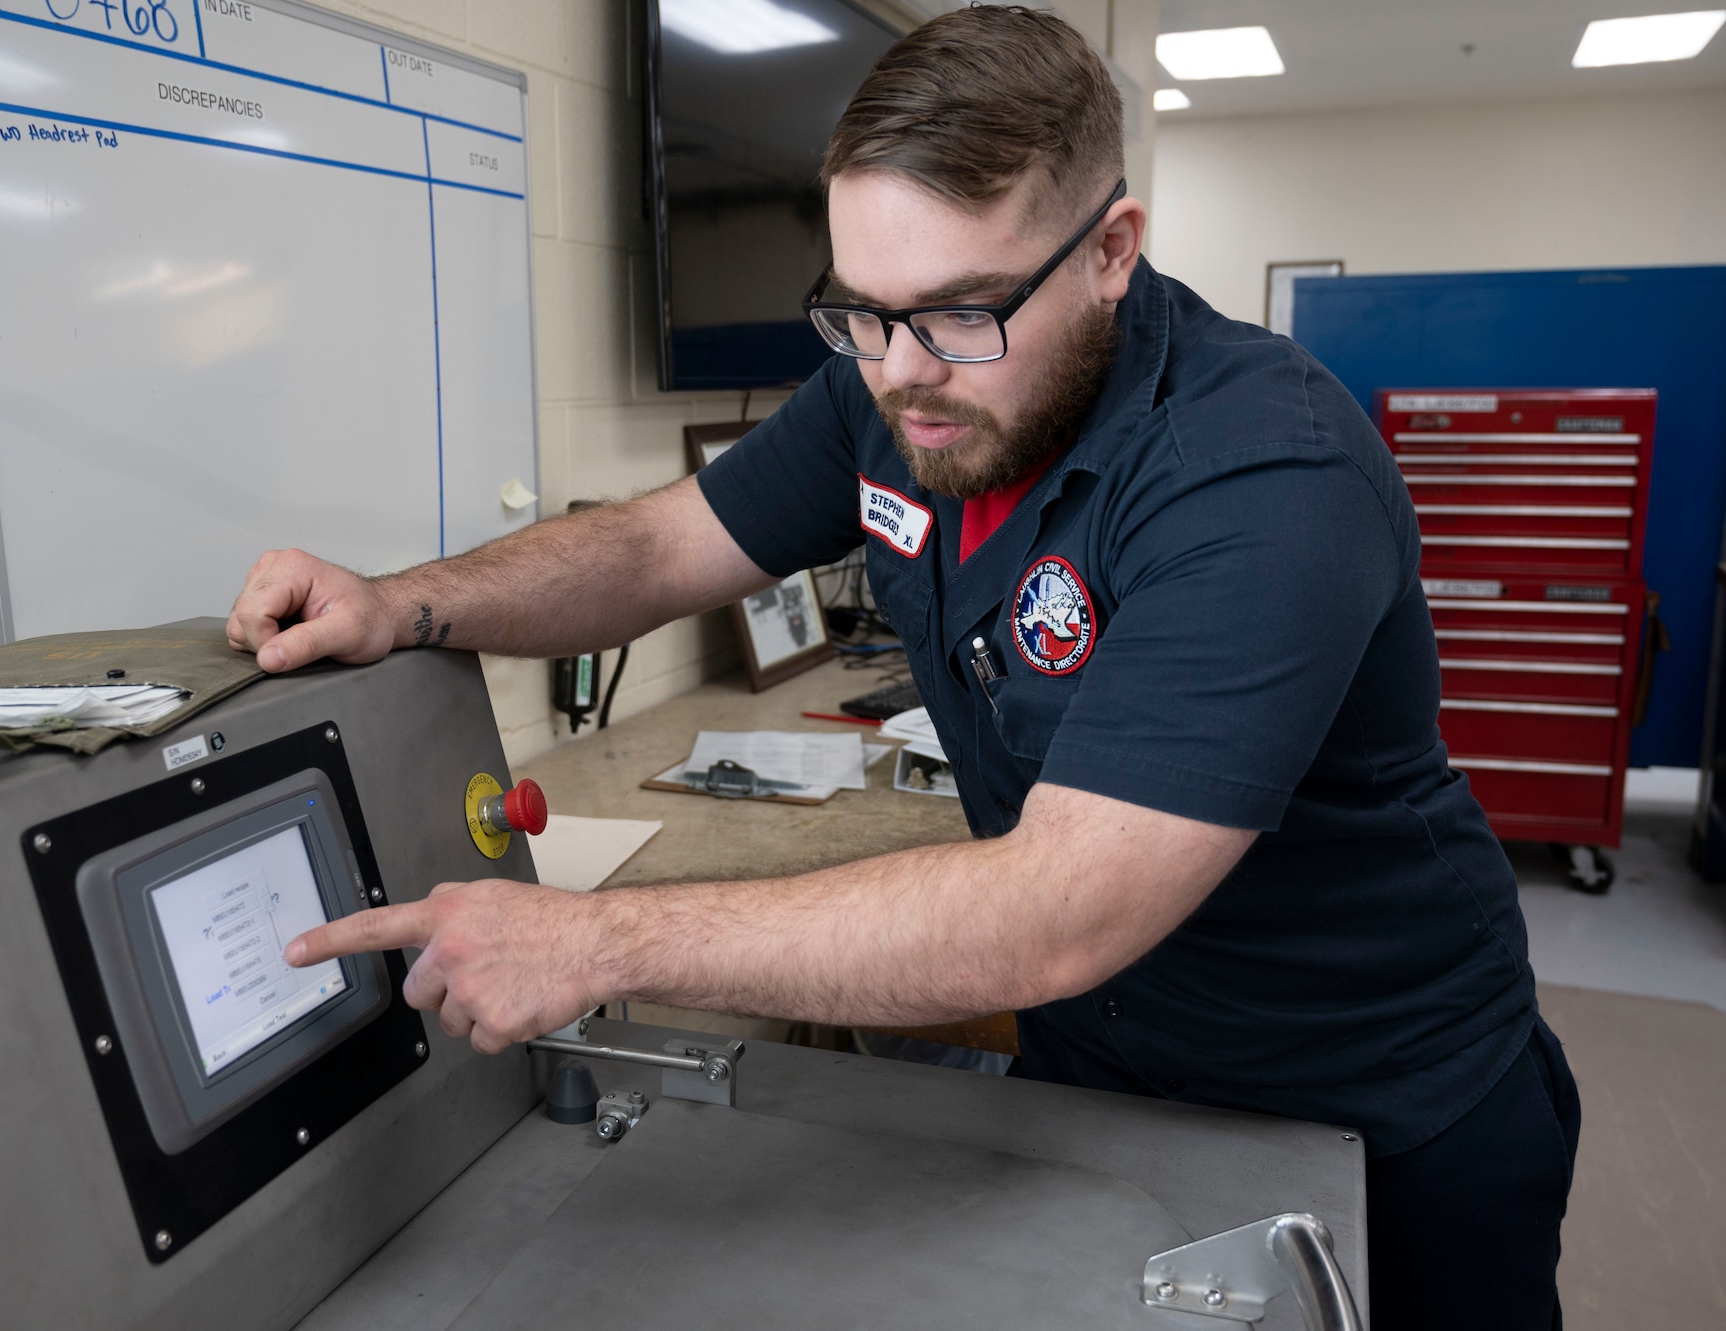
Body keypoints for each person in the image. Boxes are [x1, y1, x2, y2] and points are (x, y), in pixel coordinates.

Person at [225, 9, 1577, 1327]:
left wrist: (593, 939)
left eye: (958, 314)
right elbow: (659, 546)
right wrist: (402, 603)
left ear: (1111, 251)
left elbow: (1060, 910)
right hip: (1102, 1074)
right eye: (862, 313)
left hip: (1373, 1094)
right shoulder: (896, 381)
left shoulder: (1262, 467)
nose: (901, 370)